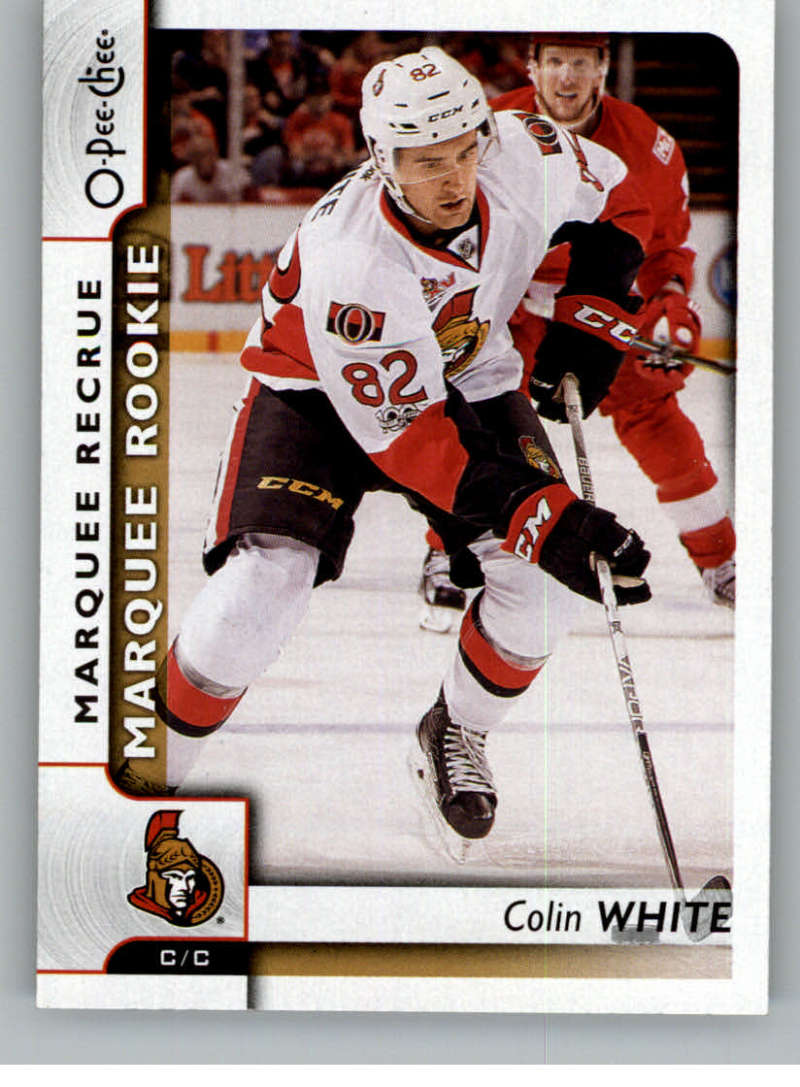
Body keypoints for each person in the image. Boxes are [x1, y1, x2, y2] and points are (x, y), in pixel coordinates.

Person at [118, 47, 654, 845]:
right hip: (311, 393)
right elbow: (415, 444)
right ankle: (141, 777)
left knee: (543, 591)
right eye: (427, 161)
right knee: (259, 591)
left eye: (465, 151)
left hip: (466, 374)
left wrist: (594, 304)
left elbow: (620, 193)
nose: (455, 178)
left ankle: (455, 729)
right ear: (381, 158)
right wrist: (550, 518)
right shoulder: (353, 260)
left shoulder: (525, 150)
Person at [420, 32, 735, 628]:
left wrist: (670, 307)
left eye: (581, 63)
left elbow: (667, 248)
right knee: (477, 415)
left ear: (603, 69)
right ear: (532, 68)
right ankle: (448, 553)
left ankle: (719, 559)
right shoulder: (487, 129)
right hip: (510, 297)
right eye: (556, 62)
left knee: (653, 413)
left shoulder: (649, 145)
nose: (567, 77)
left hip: (603, 297)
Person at [171, 135, 245, 203]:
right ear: (191, 159)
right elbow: (177, 207)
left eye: (209, 154)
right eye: (199, 156)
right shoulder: (182, 178)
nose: (205, 160)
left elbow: (249, 199)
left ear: (216, 155)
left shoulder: (233, 171)